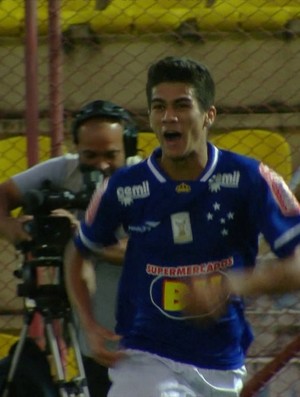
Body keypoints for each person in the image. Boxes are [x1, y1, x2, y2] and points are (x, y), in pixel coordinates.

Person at [64, 56, 300, 397]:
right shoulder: (123, 187)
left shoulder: (250, 178)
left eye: (181, 105)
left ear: (209, 115)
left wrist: (232, 284)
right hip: (145, 357)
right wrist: (88, 324)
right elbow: (78, 251)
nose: (168, 117)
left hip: (221, 363)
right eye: (158, 107)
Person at [0, 99, 140, 397]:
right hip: (90, 328)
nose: (100, 164)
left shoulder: (148, 179)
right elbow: (4, 195)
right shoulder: (64, 170)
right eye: (89, 155)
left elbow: (148, 248)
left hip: (139, 329)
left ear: (128, 149)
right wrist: (12, 228)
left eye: (110, 155)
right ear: (77, 149)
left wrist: (84, 239)